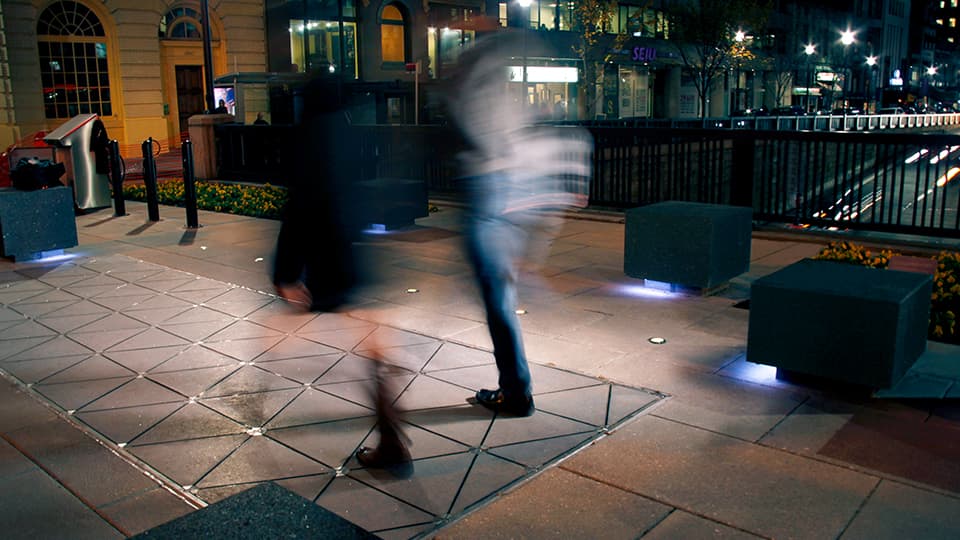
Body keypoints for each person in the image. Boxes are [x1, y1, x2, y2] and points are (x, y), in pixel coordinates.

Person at [273, 73, 410, 470]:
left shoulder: (308, 137)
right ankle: (390, 426)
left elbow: (299, 207)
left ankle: (391, 437)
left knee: (356, 344)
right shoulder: (348, 130)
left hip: (325, 257)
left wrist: (285, 272)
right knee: (367, 343)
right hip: (354, 252)